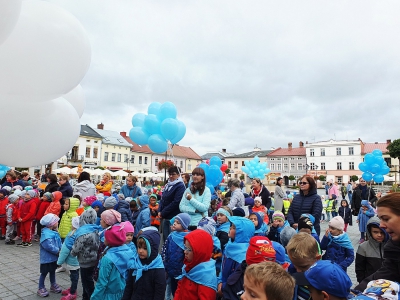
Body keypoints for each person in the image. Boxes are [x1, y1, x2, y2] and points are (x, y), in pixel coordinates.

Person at [355, 193, 400, 291]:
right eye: (380, 220)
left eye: (386, 219)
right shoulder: (394, 248)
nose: (382, 225)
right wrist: (355, 293)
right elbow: (385, 274)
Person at [91, 223, 135, 299]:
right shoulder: (130, 252)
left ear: (111, 240)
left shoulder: (107, 258)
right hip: (123, 292)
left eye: (105, 237)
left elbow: (102, 283)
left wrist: (95, 297)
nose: (104, 239)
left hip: (108, 295)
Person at [122, 229, 166, 300]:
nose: (140, 251)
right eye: (139, 247)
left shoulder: (158, 269)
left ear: (152, 249)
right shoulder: (135, 264)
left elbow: (159, 293)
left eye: (145, 248)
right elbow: (129, 287)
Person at [174, 229, 217, 299]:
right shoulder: (189, 265)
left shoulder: (206, 277)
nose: (185, 251)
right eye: (185, 247)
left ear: (200, 252)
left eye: (189, 249)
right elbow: (179, 289)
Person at [217, 217, 255, 297]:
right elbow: (222, 267)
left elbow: (236, 279)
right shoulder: (229, 245)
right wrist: (219, 281)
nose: (230, 228)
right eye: (231, 226)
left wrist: (223, 288)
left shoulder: (244, 254)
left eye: (234, 228)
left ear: (242, 233)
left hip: (231, 292)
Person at [71, 209, 100, 300]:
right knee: (89, 280)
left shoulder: (83, 232)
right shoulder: (95, 229)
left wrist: (72, 253)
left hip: (84, 261)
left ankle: (91, 297)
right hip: (94, 259)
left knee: (86, 282)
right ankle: (85, 296)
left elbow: (76, 248)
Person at [162, 213, 191, 296]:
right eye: (174, 221)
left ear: (184, 225)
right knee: (173, 291)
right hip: (171, 270)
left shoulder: (188, 238)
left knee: (181, 292)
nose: (174, 224)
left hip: (182, 272)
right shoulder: (171, 236)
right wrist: (165, 266)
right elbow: (165, 250)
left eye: (178, 222)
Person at [286, 232, 322, 300]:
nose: (298, 270)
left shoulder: (323, 277)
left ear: (317, 258)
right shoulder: (291, 270)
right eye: (294, 264)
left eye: (303, 267)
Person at [355, 216, 389, 283]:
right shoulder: (363, 247)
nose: (379, 235)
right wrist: (363, 283)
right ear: (370, 232)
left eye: (382, 232)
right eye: (375, 232)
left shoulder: (392, 247)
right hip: (370, 285)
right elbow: (359, 269)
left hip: (389, 286)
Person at [37, 214, 62, 297]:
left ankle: (53, 284)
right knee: (44, 273)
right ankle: (41, 287)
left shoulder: (53, 232)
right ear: (51, 224)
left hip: (53, 258)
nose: (57, 223)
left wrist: (61, 249)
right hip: (47, 259)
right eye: (56, 222)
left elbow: (58, 243)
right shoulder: (46, 235)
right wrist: (57, 251)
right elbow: (48, 246)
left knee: (52, 271)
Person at [158, 166, 186, 242]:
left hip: (173, 217)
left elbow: (176, 202)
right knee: (165, 239)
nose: (171, 176)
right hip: (165, 216)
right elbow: (162, 199)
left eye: (173, 174)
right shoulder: (168, 185)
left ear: (178, 175)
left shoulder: (180, 186)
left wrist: (163, 212)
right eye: (169, 174)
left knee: (172, 239)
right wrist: (159, 210)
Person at [57, 216, 80, 300]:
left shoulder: (71, 236)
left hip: (72, 261)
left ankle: (73, 293)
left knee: (74, 276)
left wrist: (59, 262)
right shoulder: (80, 234)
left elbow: (64, 250)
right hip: (78, 260)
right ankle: (72, 289)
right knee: (74, 276)